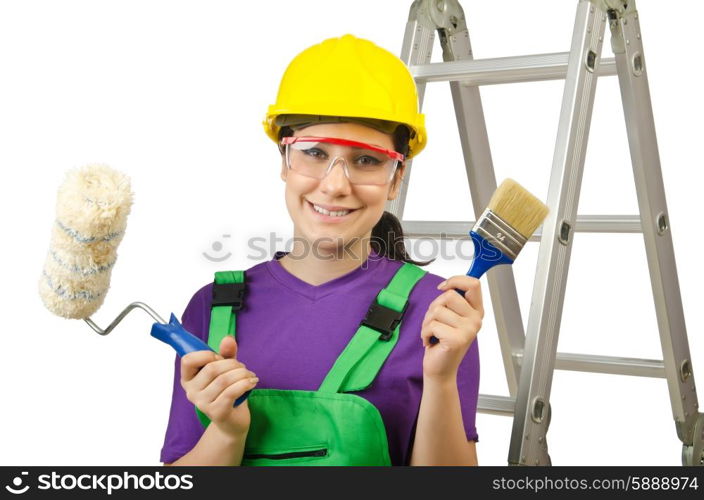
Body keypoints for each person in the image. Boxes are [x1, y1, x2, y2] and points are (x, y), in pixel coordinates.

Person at [161, 34, 482, 466]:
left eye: (366, 160)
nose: (335, 185)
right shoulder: (212, 308)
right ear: (283, 161)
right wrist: (226, 431)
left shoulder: (438, 312)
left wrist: (441, 378)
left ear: (396, 178)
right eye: (314, 153)